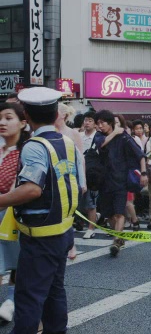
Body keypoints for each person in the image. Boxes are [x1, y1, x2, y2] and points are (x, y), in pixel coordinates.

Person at [0, 87, 84, 333]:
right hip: (63, 230)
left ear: (26, 115)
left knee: (29, 297)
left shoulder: (35, 146)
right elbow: (79, 184)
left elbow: (32, 190)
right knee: (54, 292)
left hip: (41, 235)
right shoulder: (66, 142)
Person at [95, 110, 148, 257]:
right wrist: (115, 133)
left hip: (120, 180)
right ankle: (118, 236)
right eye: (98, 123)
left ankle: (116, 241)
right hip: (104, 181)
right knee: (108, 214)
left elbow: (140, 155)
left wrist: (143, 173)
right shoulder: (99, 136)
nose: (100, 126)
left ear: (110, 122)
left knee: (119, 212)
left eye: (102, 122)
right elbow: (101, 145)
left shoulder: (124, 137)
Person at [0, 102, 29, 322]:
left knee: (16, 263)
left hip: (12, 216)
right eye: (0, 118)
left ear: (23, 122)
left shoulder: (27, 151)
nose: (2, 123)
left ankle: (11, 301)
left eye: (8, 118)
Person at [80, 111, 104, 239]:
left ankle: (91, 228)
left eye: (90, 120)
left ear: (95, 124)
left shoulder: (98, 137)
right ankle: (95, 217)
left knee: (90, 203)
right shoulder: (78, 135)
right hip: (78, 172)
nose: (87, 123)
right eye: (85, 120)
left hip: (91, 174)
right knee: (80, 204)